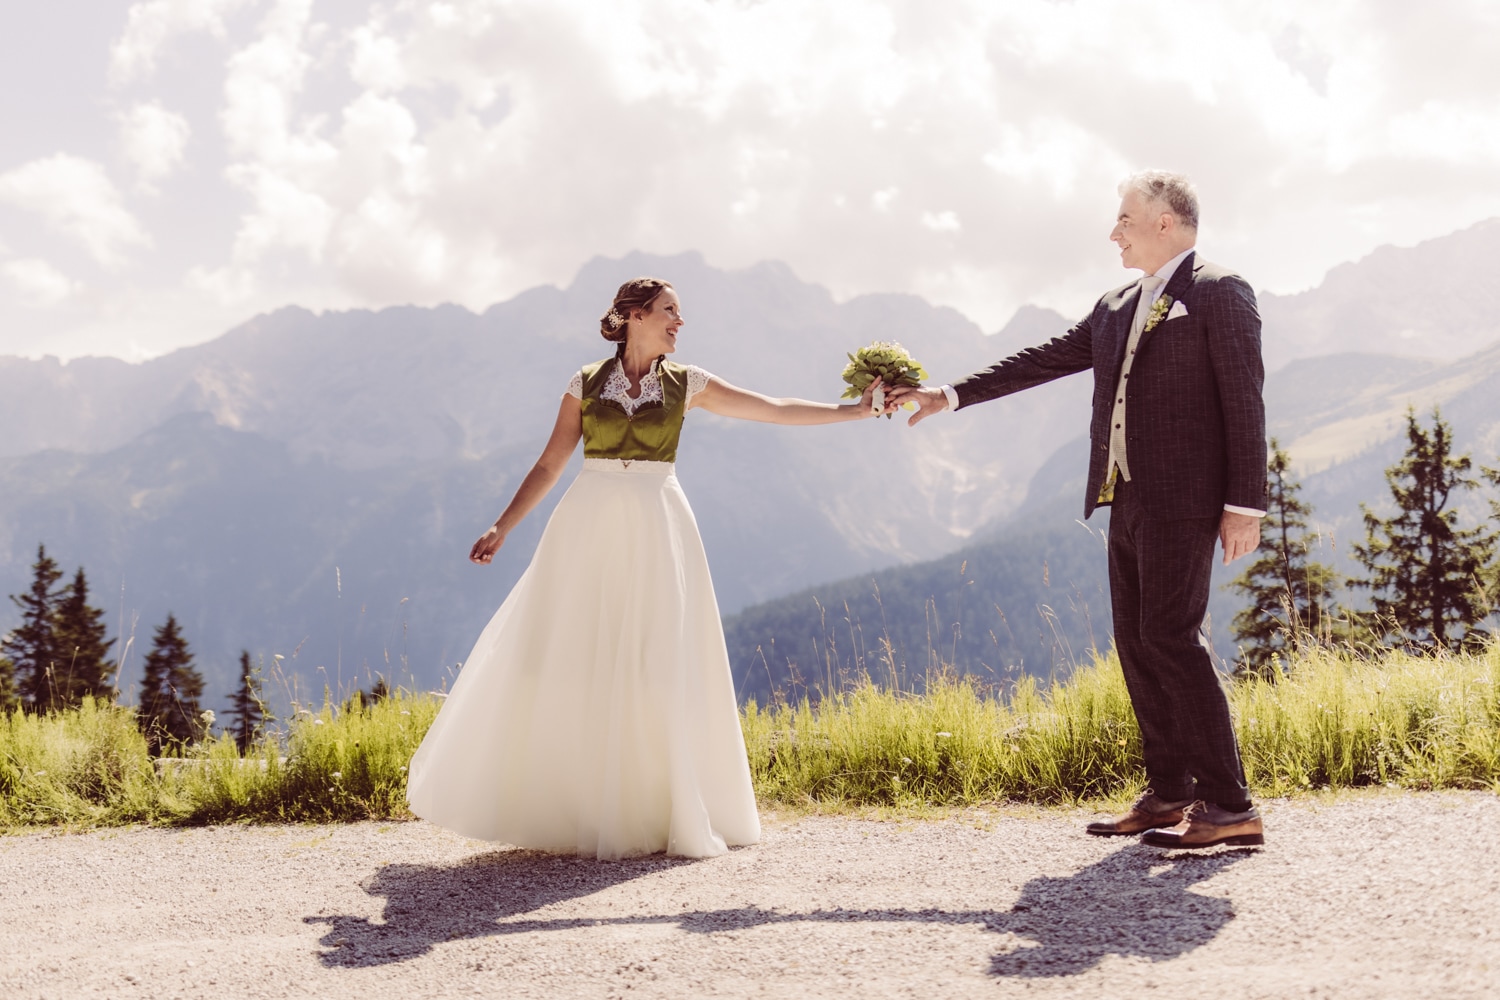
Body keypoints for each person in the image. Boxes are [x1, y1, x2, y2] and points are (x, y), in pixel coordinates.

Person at [406, 277, 887, 859]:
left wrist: (856, 411)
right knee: (575, 654)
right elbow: (551, 461)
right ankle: (575, 803)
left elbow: (775, 409)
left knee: (656, 657)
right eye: (669, 312)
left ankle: (658, 804)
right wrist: (502, 525)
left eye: (679, 314)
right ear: (633, 316)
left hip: (660, 524)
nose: (679, 323)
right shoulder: (583, 383)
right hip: (586, 526)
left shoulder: (690, 383)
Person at [888, 171, 1268, 850]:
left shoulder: (1218, 291)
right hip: (1126, 495)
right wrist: (948, 395)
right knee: (1138, 639)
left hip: (1188, 499)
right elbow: (1045, 359)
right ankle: (1170, 791)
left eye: (1124, 218)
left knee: (1174, 638)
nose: (1113, 232)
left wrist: (1245, 505)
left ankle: (1230, 804)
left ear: (1165, 222)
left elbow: (1244, 397)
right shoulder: (1118, 302)